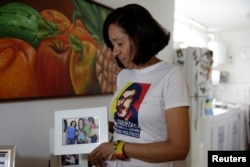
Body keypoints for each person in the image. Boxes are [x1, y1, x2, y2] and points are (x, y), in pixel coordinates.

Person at [88, 4, 190, 167]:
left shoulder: (171, 76)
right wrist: (100, 127)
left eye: (120, 43)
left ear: (139, 37)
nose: (115, 52)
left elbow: (179, 148)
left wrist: (119, 148)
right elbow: (136, 127)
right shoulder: (123, 76)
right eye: (112, 45)